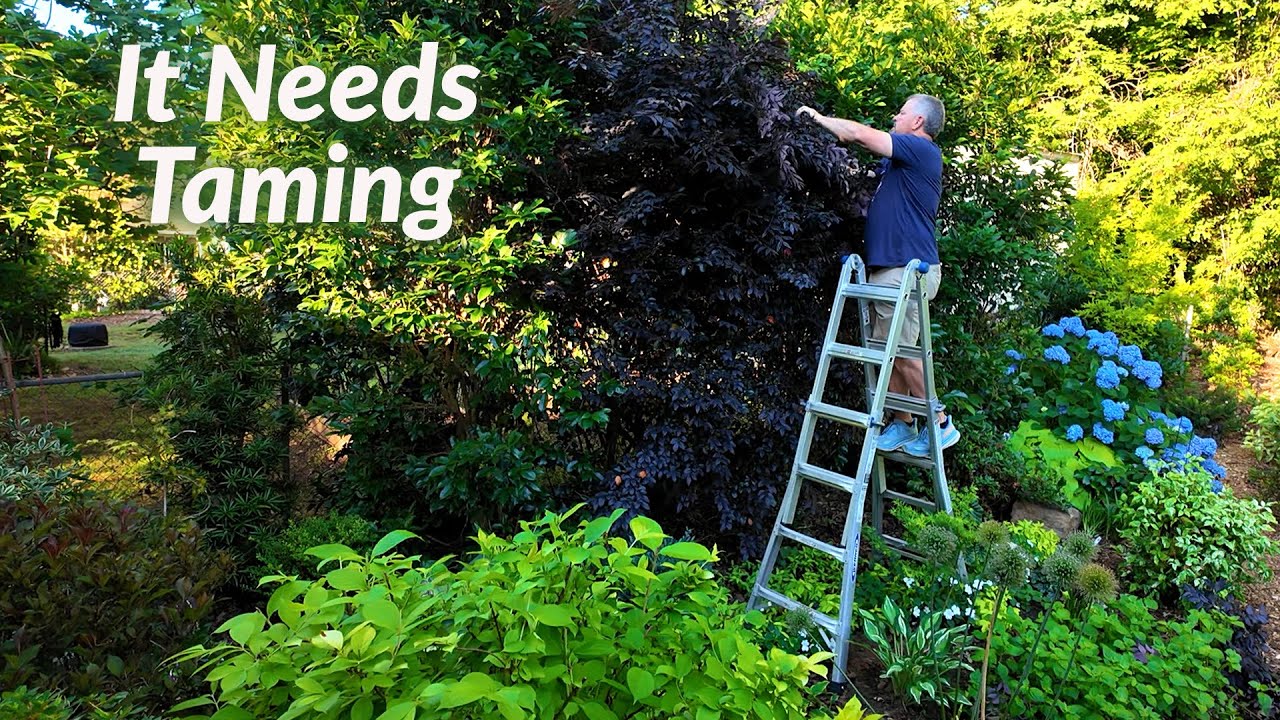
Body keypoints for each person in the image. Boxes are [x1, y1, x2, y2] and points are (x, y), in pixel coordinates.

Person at [796, 94, 959, 457]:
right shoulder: (898, 165)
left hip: (908, 269)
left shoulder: (921, 150)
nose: (895, 117)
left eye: (901, 112)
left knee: (900, 350)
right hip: (890, 269)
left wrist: (817, 118)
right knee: (887, 349)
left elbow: (857, 134)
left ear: (918, 122)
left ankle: (940, 422)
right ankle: (903, 421)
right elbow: (861, 173)